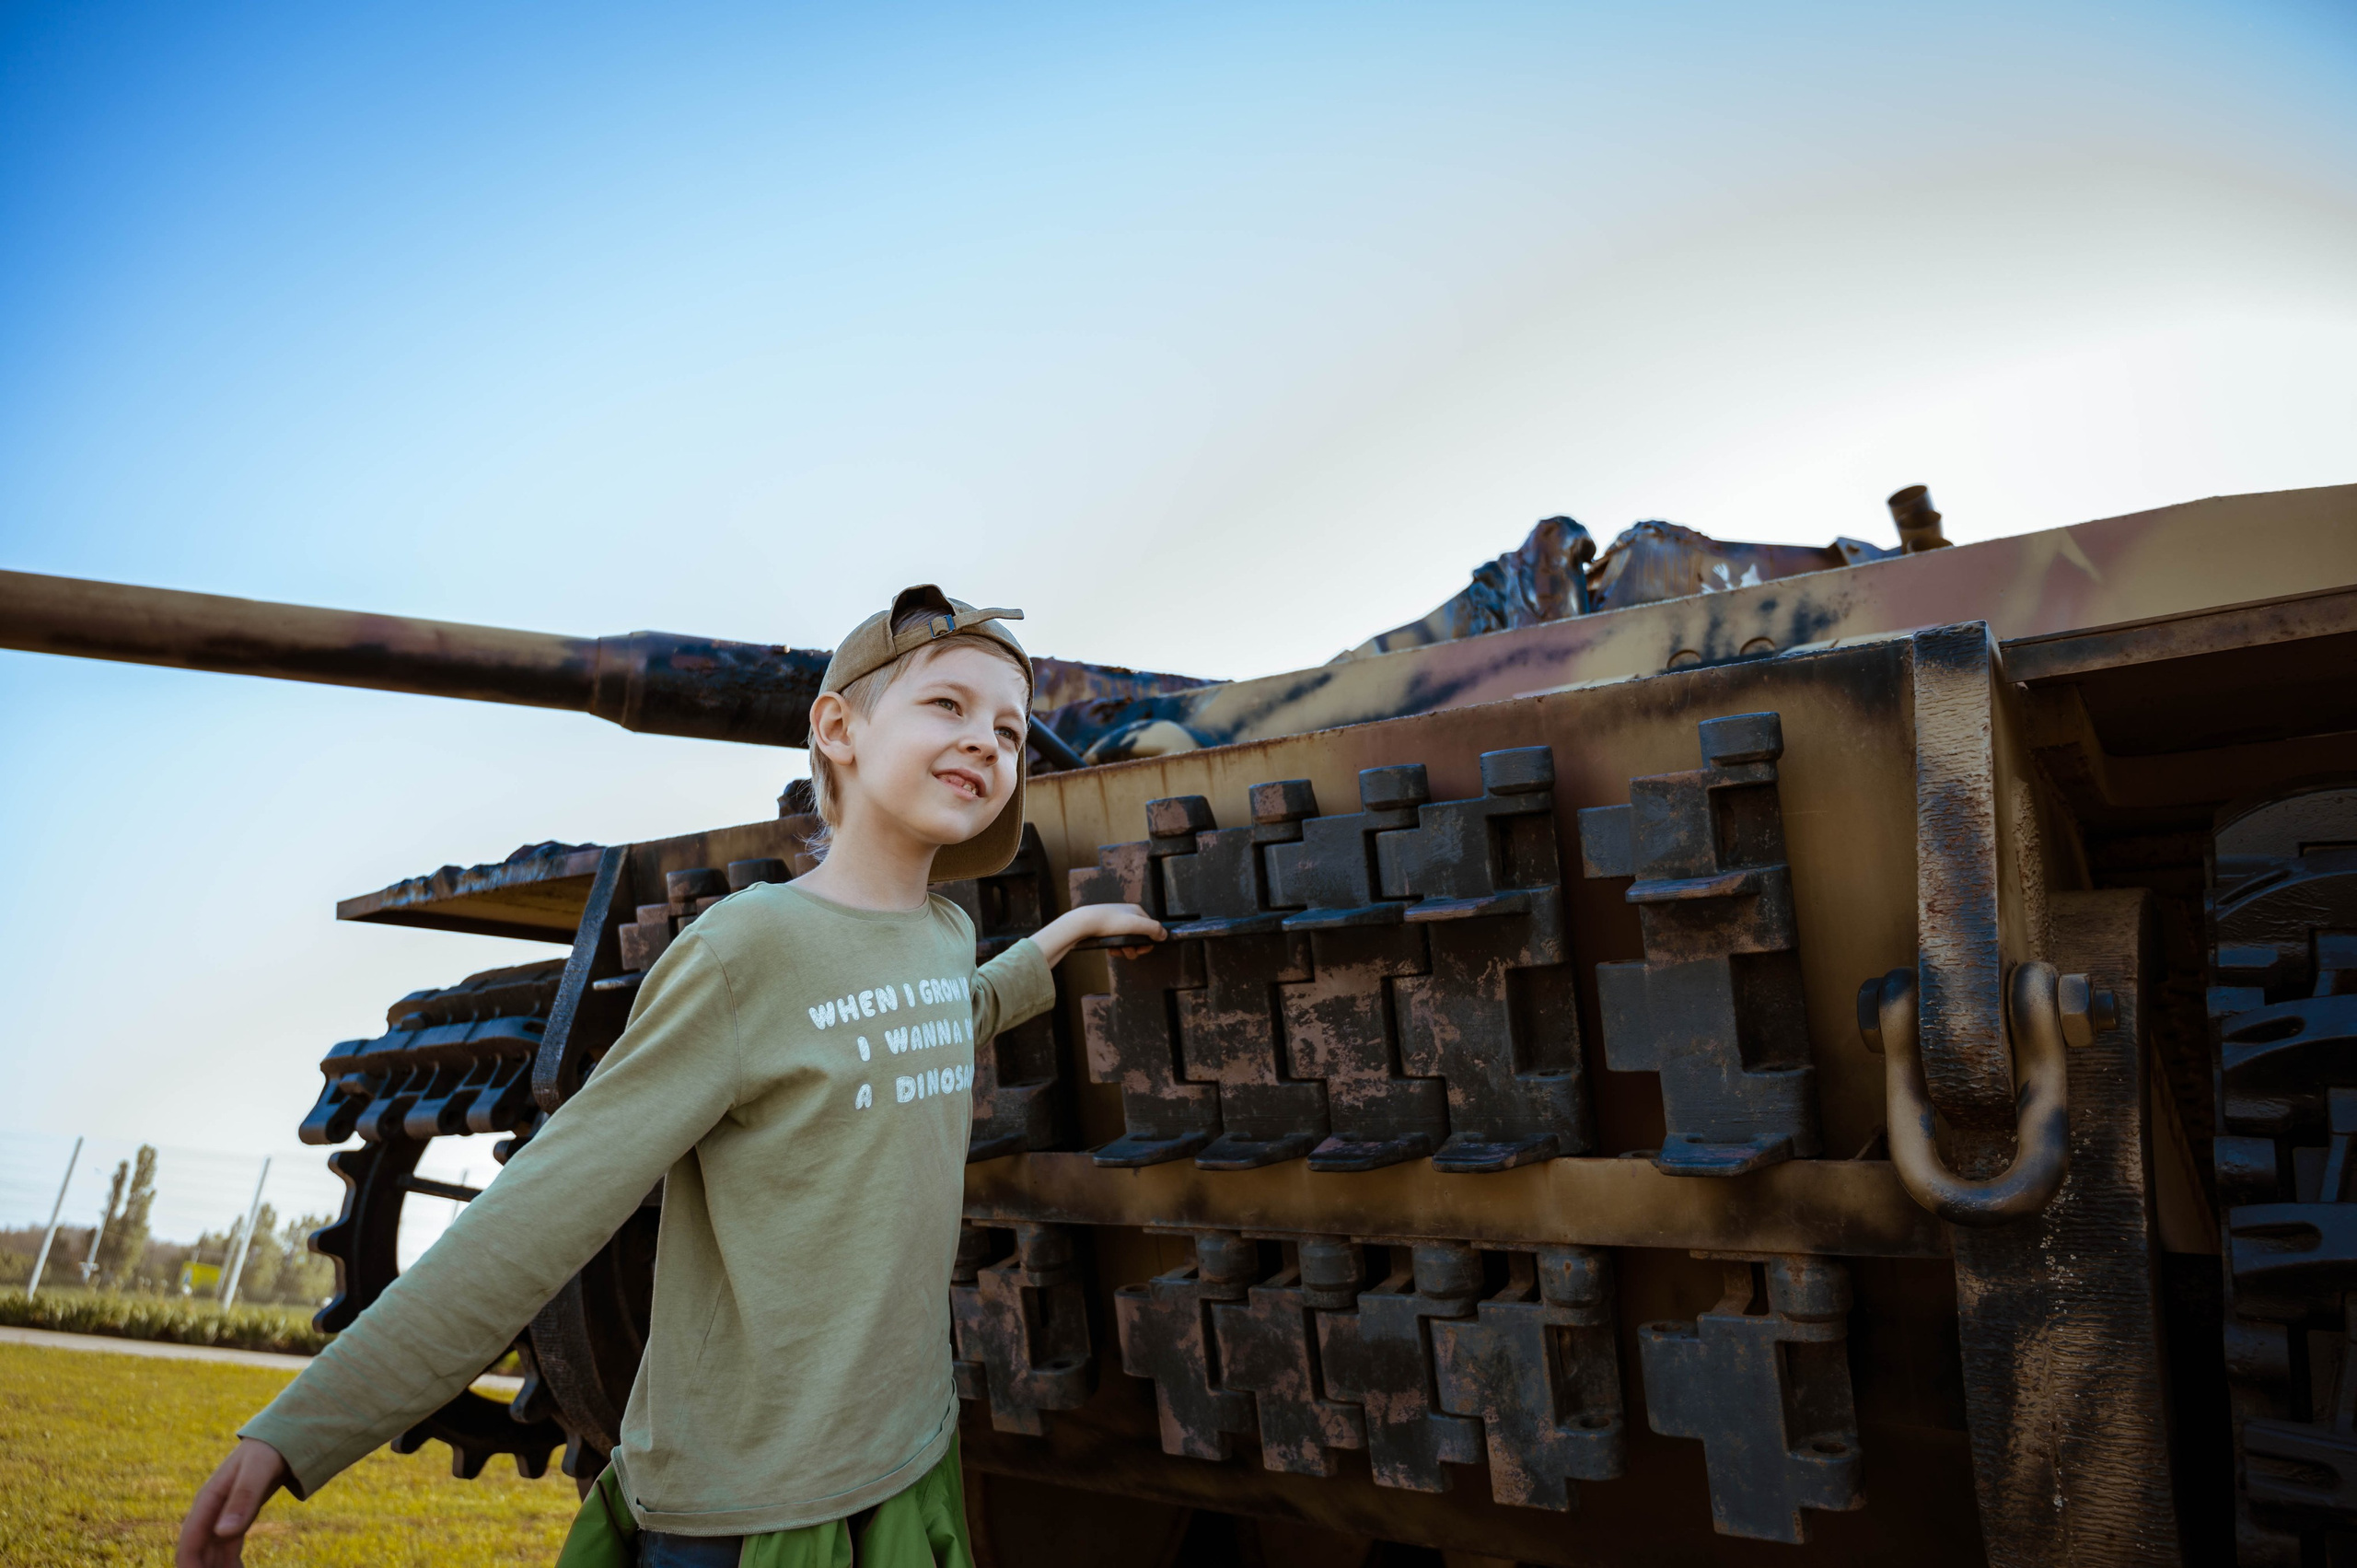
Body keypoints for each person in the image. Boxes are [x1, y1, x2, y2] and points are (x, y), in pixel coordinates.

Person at [175, 586, 1165, 1568]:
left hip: (902, 1458)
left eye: (1009, 728)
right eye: (946, 705)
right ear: (838, 728)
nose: (989, 742)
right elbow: (556, 1194)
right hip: (748, 1503)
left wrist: (1066, 934)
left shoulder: (942, 934)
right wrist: (302, 1428)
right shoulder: (749, 948)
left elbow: (945, 1014)